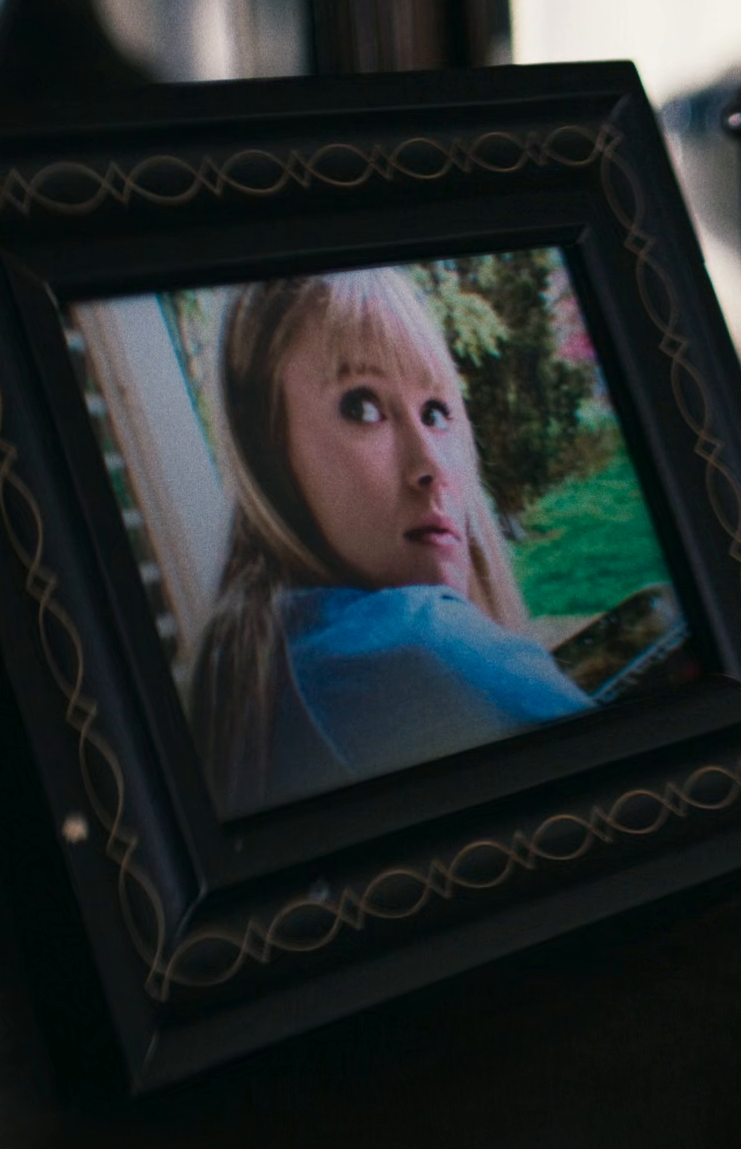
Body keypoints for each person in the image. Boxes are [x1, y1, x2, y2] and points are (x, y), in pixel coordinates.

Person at [188, 267, 591, 815]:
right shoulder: (415, 644)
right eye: (363, 407)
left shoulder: (253, 665)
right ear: (268, 447)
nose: (432, 467)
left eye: (436, 412)